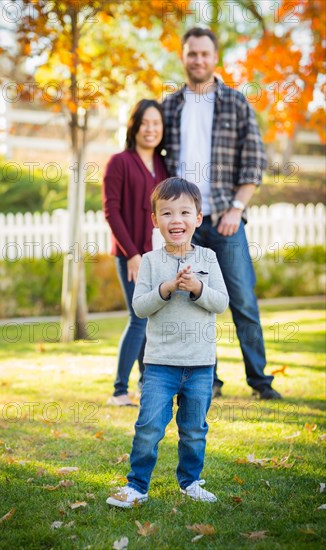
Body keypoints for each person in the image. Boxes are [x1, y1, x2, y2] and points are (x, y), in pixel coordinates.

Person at [162, 27, 282, 400]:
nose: (198, 60)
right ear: (183, 57)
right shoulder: (169, 106)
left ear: (215, 58)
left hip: (226, 221)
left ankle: (260, 381)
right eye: (191, 54)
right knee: (194, 303)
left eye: (204, 54)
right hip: (185, 226)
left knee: (242, 299)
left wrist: (237, 208)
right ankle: (207, 381)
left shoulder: (236, 103)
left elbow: (255, 160)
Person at [106, 177, 229, 508]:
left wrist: (196, 289)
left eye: (185, 212)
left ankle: (190, 481)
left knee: (193, 429)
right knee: (149, 426)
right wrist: (166, 288)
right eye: (168, 213)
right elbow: (140, 306)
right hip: (160, 364)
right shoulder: (149, 261)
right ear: (155, 220)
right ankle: (137, 486)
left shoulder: (208, 258)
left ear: (198, 218)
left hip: (200, 364)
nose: (177, 220)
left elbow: (221, 302)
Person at [103, 99, 168, 406]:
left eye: (156, 123)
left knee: (152, 319)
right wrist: (131, 254)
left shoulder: (164, 165)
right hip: (131, 256)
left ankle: (145, 385)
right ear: (134, 126)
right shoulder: (120, 162)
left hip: (156, 255)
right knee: (138, 317)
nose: (151, 129)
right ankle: (119, 390)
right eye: (145, 123)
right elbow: (111, 211)